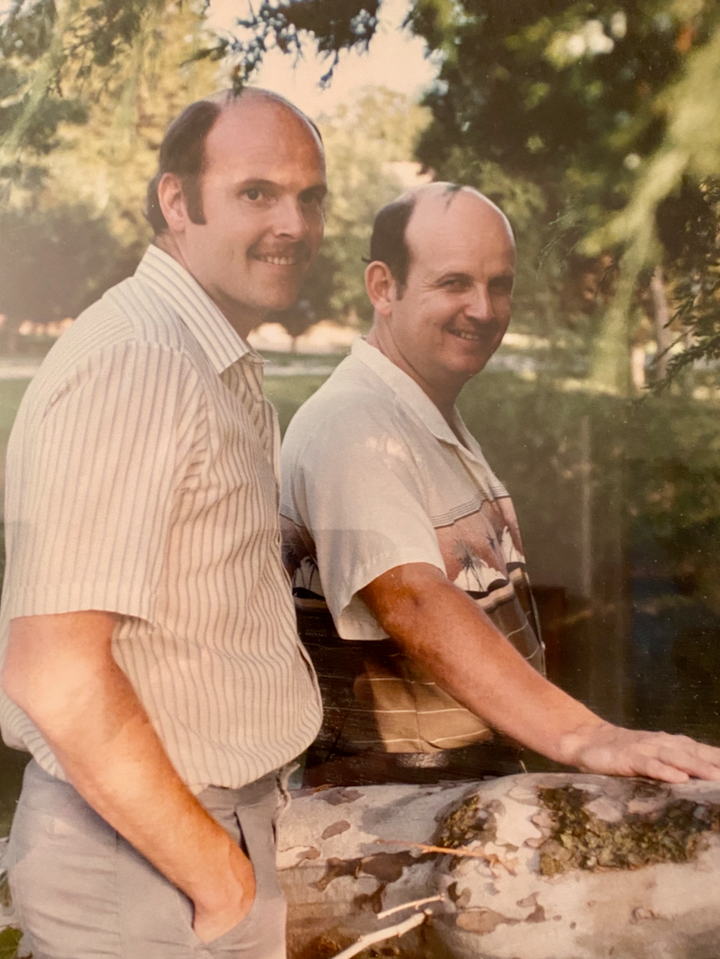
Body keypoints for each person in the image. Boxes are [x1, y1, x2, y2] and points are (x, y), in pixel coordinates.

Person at [0, 88, 327, 959]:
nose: (293, 221)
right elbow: (55, 670)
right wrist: (220, 881)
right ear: (177, 201)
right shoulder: (142, 363)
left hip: (179, 849)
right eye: (257, 192)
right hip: (149, 869)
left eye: (310, 195)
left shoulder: (204, 355)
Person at [281, 182, 720, 788]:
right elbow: (412, 597)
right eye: (454, 282)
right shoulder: (355, 426)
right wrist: (588, 736)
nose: (484, 310)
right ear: (383, 287)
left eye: (500, 284)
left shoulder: (417, 410)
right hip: (392, 824)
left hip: (455, 793)